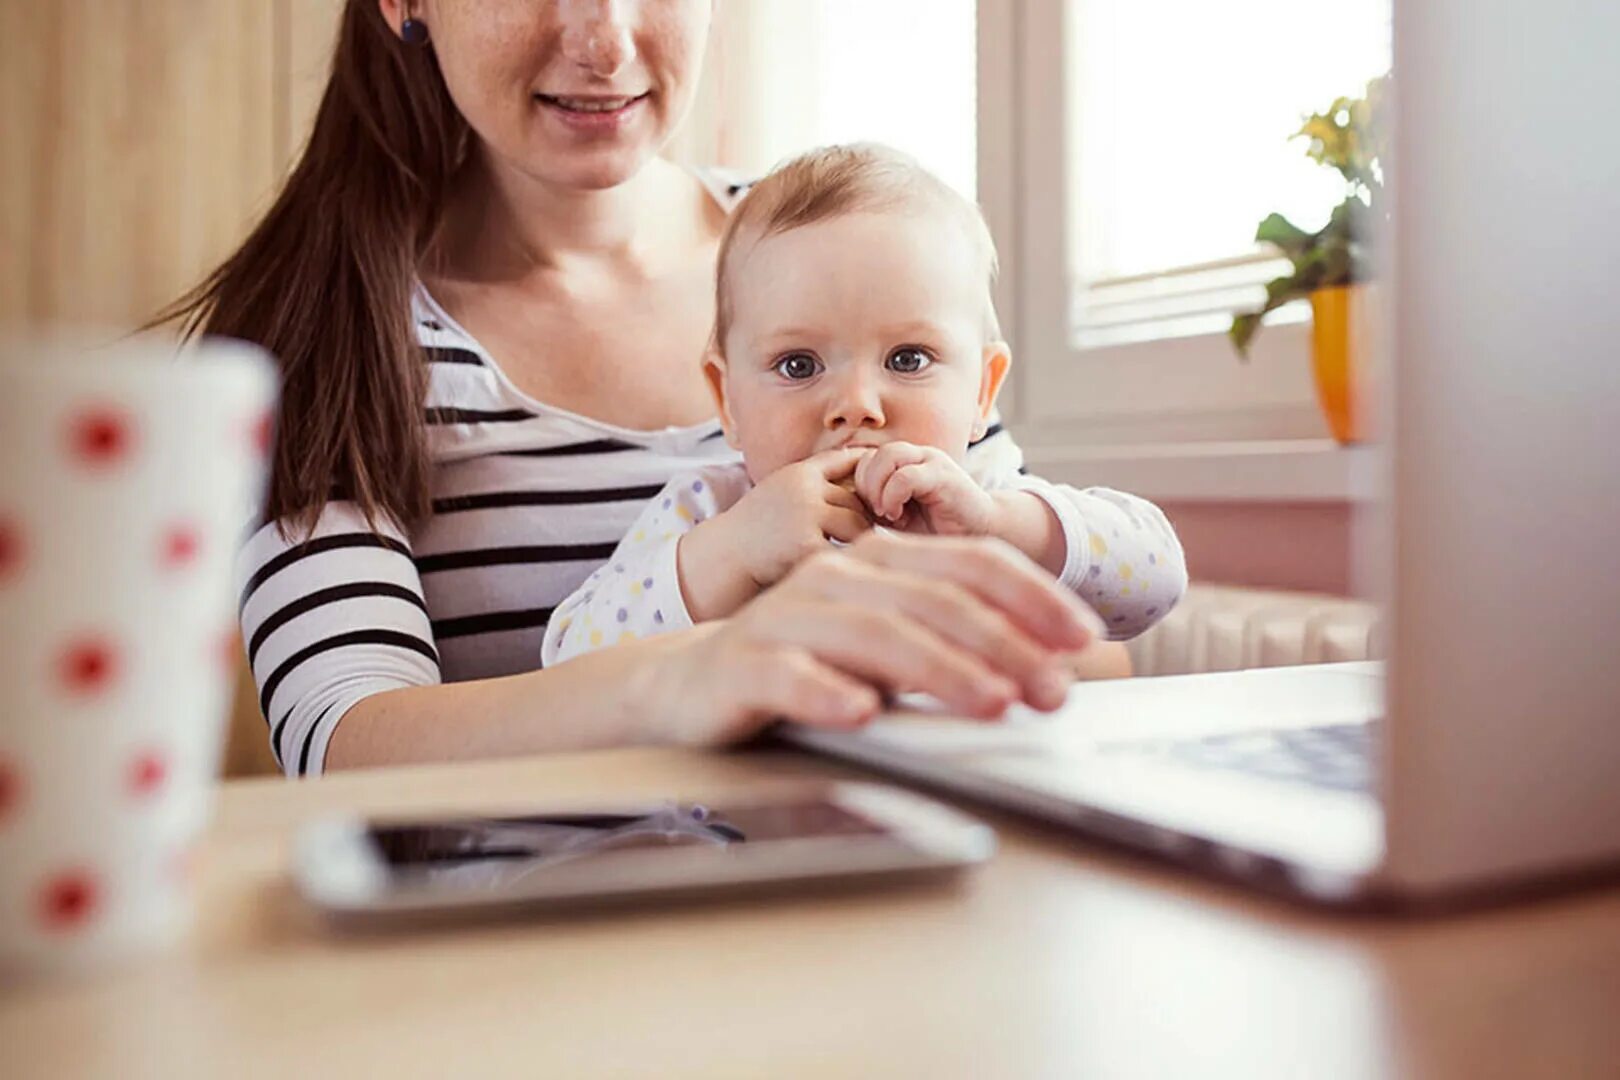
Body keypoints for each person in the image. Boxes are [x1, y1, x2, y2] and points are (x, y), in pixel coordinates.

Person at [160, 0, 1126, 778]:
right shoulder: (317, 319)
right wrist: (672, 683)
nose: (604, 39)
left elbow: (1085, 659)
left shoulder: (841, 254)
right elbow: (340, 744)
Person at [543, 145, 1184, 672]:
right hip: (761, 824)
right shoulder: (713, 513)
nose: (856, 407)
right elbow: (567, 664)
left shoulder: (986, 498)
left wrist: (1002, 526)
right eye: (798, 366)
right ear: (728, 399)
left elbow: (1155, 587)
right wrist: (732, 553)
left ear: (983, 393)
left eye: (908, 359)